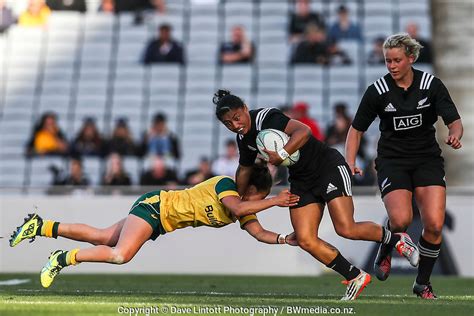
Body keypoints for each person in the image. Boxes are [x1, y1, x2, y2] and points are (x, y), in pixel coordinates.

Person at [213, 89, 420, 300]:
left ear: (245, 109)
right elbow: (244, 168)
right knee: (305, 239)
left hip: (327, 166)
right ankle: (355, 276)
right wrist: (237, 195)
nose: (235, 125)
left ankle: (397, 240)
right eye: (228, 123)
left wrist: (282, 153)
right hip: (301, 180)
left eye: (237, 118)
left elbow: (304, 131)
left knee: (346, 228)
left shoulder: (267, 117)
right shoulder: (243, 138)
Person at [9, 165, 300, 288]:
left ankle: (42, 226)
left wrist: (287, 238)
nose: (256, 202)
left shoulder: (245, 208)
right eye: (257, 196)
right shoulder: (227, 186)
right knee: (120, 254)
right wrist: (273, 202)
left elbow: (259, 232)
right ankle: (62, 258)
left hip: (159, 218)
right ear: (249, 189)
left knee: (103, 237)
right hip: (156, 206)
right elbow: (238, 206)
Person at [345, 33, 463, 299]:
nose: (392, 66)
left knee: (433, 224)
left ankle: (422, 283)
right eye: (387, 61)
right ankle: (386, 247)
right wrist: (350, 162)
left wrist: (455, 134)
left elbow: (454, 121)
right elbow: (356, 130)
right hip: (392, 160)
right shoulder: (377, 91)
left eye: (397, 60)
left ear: (411, 58)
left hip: (427, 159)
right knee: (401, 220)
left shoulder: (431, 85)